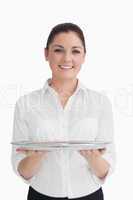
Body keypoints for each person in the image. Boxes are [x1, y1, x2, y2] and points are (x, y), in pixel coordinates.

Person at [11, 22, 116, 200]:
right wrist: (36, 156)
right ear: (46, 54)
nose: (67, 58)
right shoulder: (25, 104)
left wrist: (93, 158)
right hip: (41, 195)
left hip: (89, 195)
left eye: (75, 51)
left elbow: (107, 167)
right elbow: (21, 169)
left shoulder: (100, 103)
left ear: (84, 56)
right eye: (59, 50)